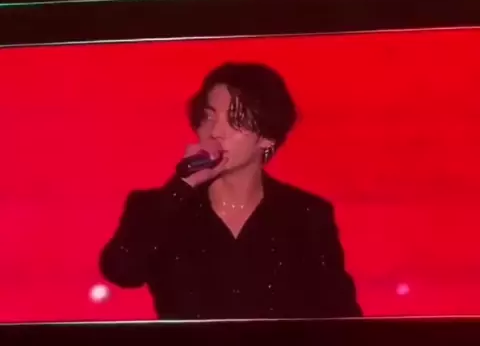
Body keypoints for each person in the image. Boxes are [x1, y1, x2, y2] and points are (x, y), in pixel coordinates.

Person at [100, 62, 361, 319]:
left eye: (236, 121)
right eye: (209, 117)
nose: (215, 132)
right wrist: (181, 187)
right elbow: (121, 270)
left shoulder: (305, 216)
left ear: (267, 137)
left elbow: (343, 316)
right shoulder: (158, 208)